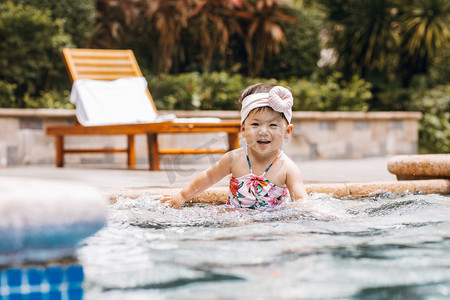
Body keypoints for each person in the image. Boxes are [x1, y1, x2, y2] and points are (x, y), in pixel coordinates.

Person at [160, 83, 308, 209]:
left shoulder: (288, 168)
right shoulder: (234, 159)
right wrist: (182, 196)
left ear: (287, 131)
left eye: (273, 125)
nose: (263, 131)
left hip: (272, 225)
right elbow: (208, 177)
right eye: (255, 124)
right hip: (236, 220)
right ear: (243, 129)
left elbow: (301, 201)